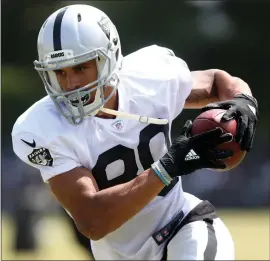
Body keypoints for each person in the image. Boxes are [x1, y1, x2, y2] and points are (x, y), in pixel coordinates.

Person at [11, 4, 258, 260]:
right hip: (114, 253)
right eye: (59, 72)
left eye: (81, 68)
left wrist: (244, 102)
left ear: (109, 57)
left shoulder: (148, 77)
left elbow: (216, 81)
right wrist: (166, 168)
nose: (71, 84)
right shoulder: (42, 128)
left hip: (182, 225)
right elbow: (92, 221)